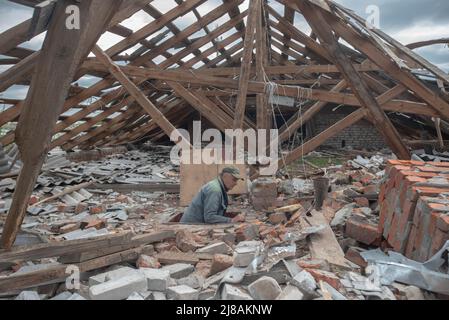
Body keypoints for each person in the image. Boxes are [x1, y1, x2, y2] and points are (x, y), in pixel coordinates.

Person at [180, 166, 246, 224]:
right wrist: (232, 220)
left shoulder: (219, 187)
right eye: (234, 180)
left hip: (195, 224)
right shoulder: (215, 190)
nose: (236, 183)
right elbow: (209, 217)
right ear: (225, 176)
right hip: (190, 227)